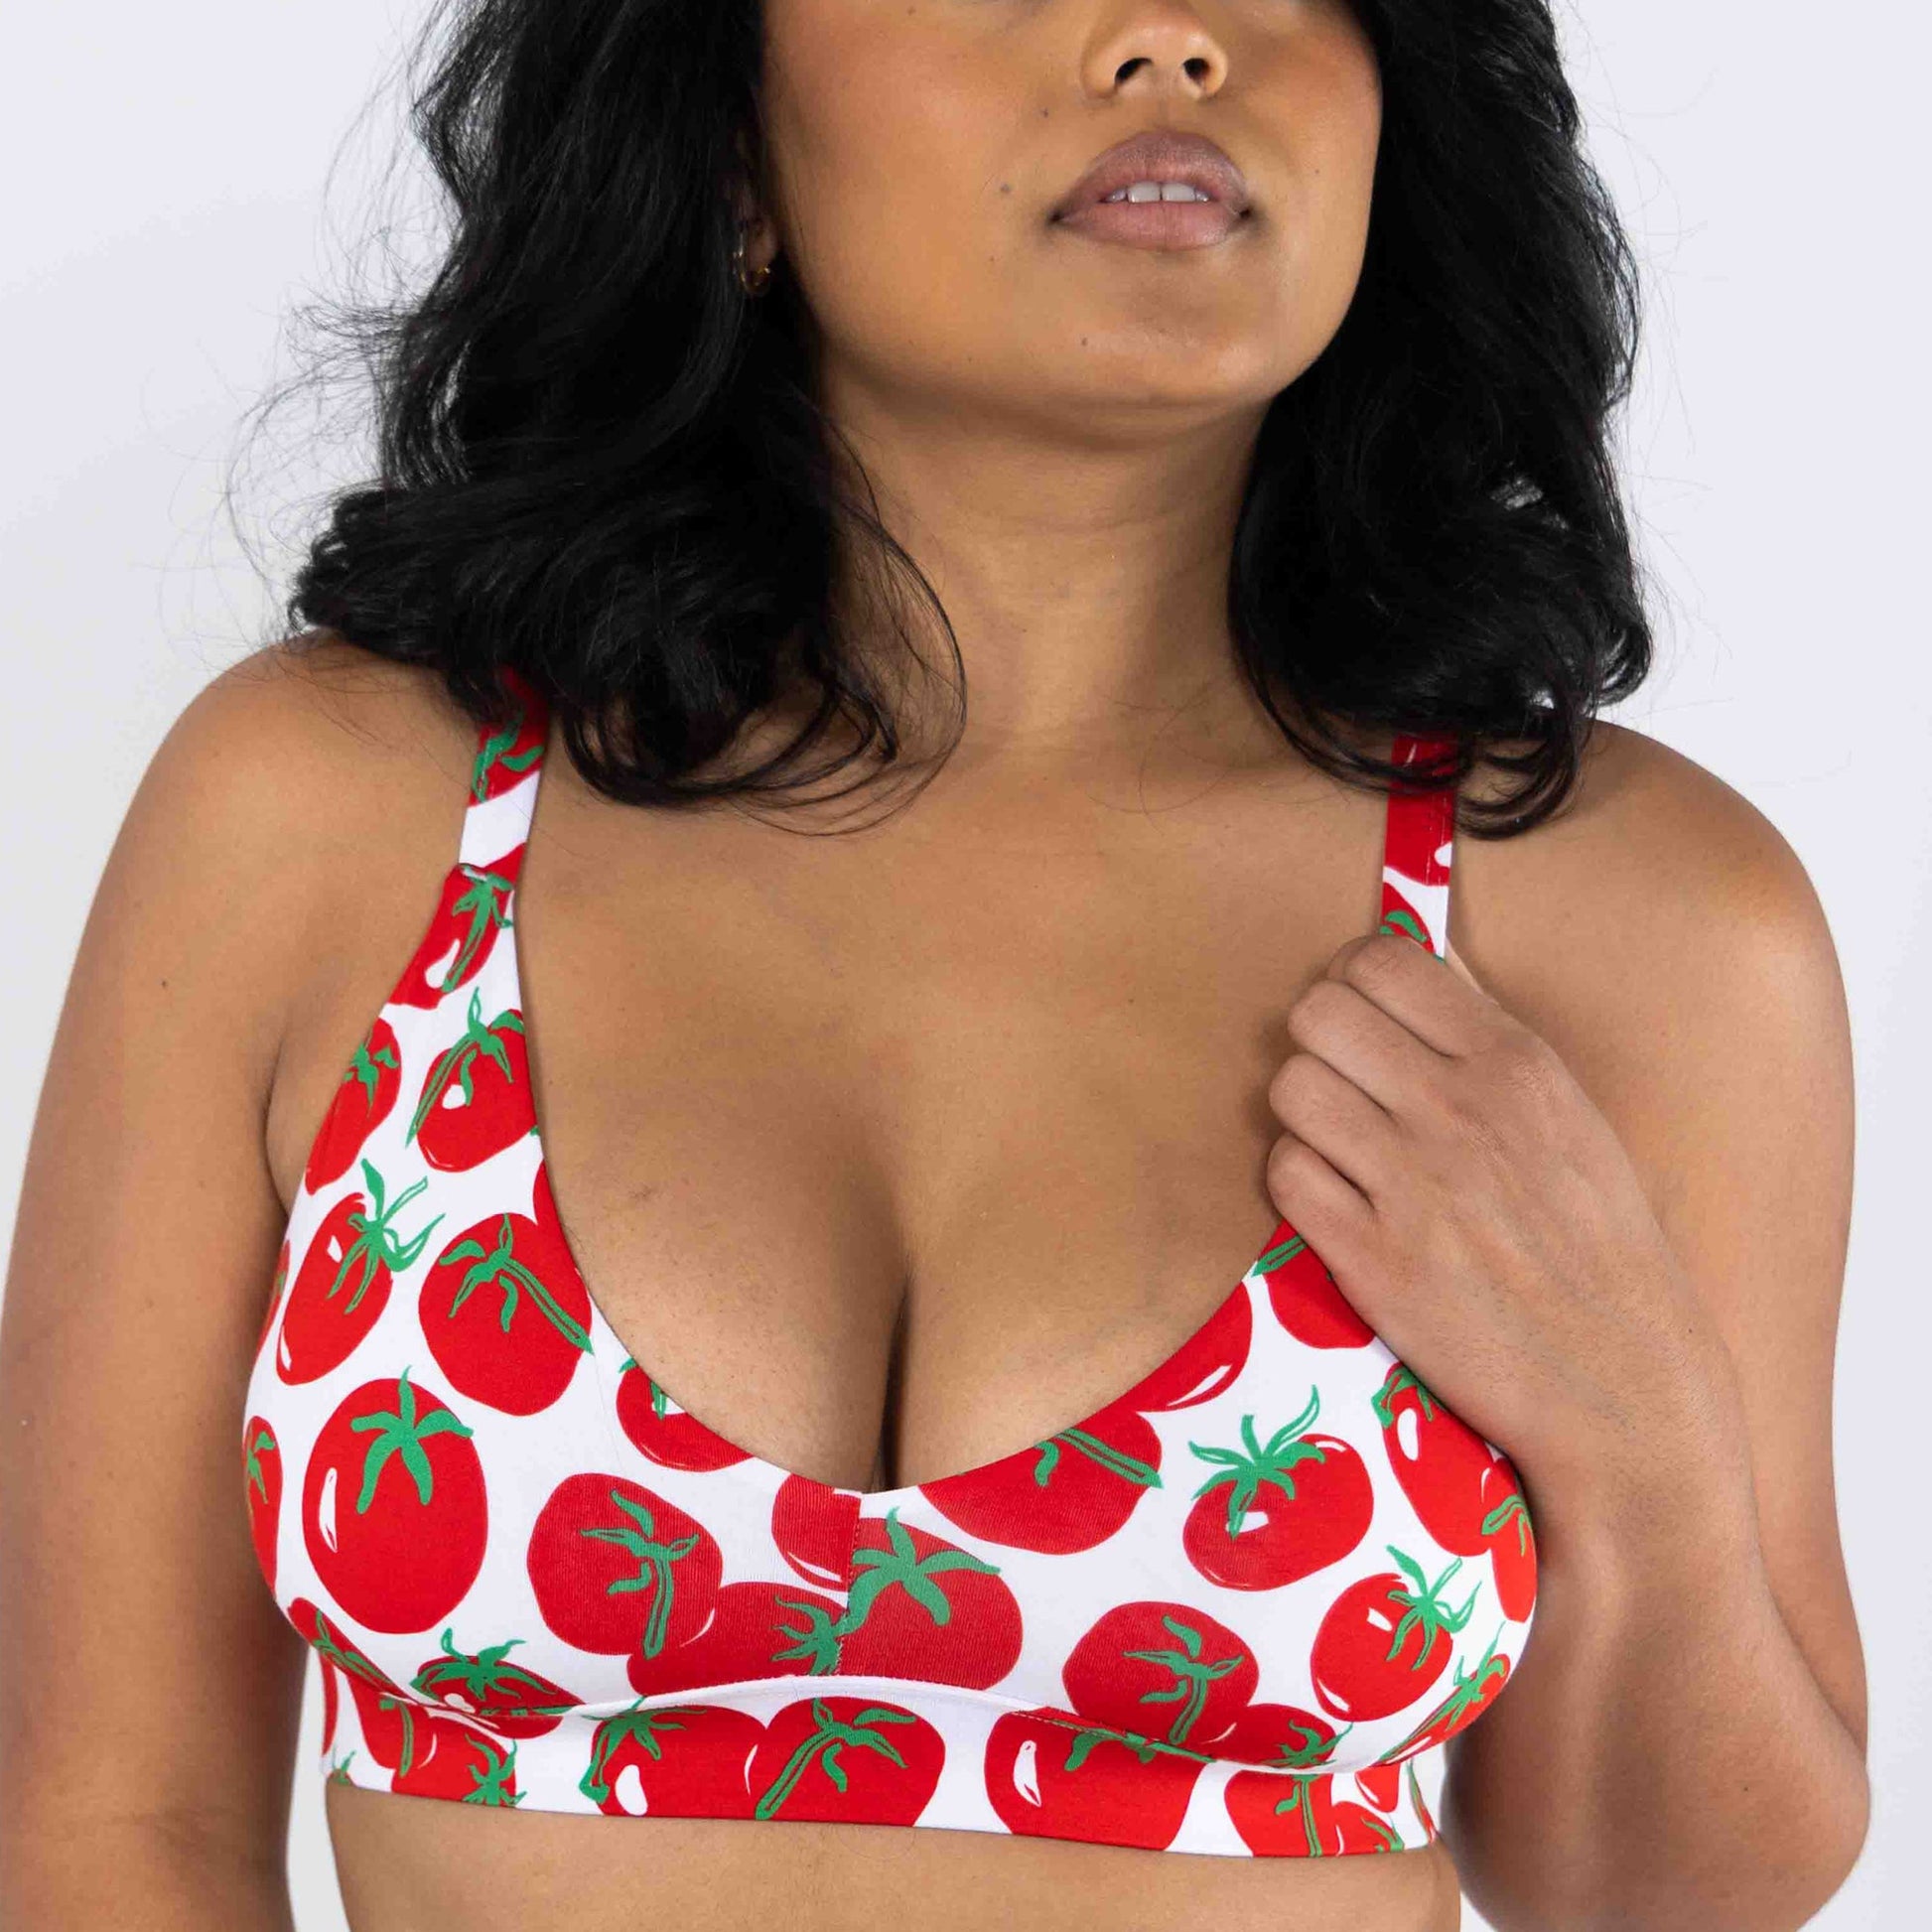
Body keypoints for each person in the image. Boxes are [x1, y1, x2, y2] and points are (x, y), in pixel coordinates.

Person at [0, 2, 1869, 1928]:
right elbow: (111, 1825)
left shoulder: (1622, 920)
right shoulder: (332, 816)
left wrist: (1633, 1437)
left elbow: (1654, 1896)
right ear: (726, 148)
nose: (1173, 38)